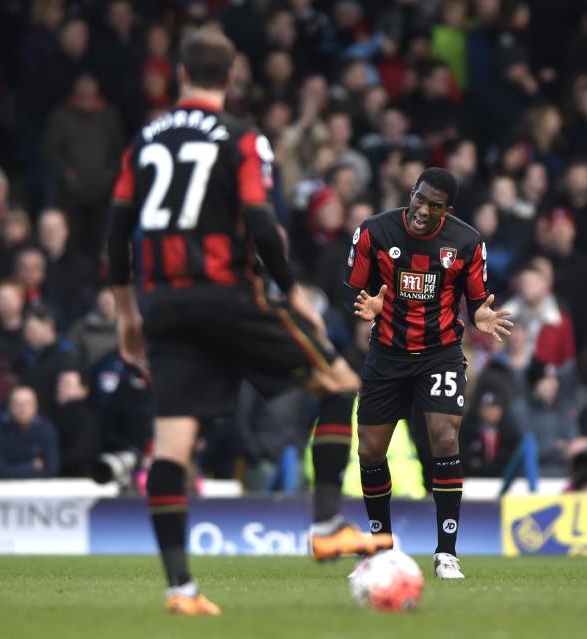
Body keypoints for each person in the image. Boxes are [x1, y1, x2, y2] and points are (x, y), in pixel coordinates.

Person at [105, 31, 387, 617]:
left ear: (181, 73)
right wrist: (294, 294)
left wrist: (128, 316)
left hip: (162, 304)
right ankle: (328, 524)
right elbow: (260, 222)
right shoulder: (241, 139)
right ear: (231, 76)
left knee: (173, 446)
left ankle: (181, 590)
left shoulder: (143, 142)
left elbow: (115, 234)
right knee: (338, 386)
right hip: (229, 295)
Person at [346, 166, 512, 579]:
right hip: (386, 354)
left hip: (440, 353)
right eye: (419, 198)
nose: (423, 210)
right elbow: (356, 287)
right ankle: (380, 548)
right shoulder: (374, 232)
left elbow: (477, 303)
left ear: (446, 210)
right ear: (412, 192)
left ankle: (447, 553)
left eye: (434, 205)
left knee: (443, 436)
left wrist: (482, 317)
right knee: (369, 450)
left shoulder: (467, 242)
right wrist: (370, 306)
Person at [0, 385, 60, 479]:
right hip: (3, 489)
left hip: (39, 488)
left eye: (27, 403)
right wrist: (31, 467)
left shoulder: (46, 429)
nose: (22, 409)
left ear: (35, 406)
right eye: (17, 404)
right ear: (9, 407)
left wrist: (13, 468)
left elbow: (51, 469)